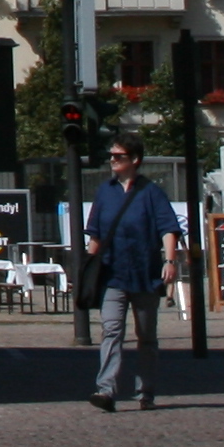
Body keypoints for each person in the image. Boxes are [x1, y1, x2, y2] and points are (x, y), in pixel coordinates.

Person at [83, 142, 186, 411]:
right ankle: (106, 391)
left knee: (146, 336)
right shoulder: (105, 191)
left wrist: (169, 261)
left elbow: (168, 229)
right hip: (112, 275)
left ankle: (145, 392)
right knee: (111, 330)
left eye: (119, 156)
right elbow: (95, 234)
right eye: (111, 155)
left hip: (144, 274)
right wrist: (87, 269)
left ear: (135, 159)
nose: (112, 160)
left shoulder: (151, 192)